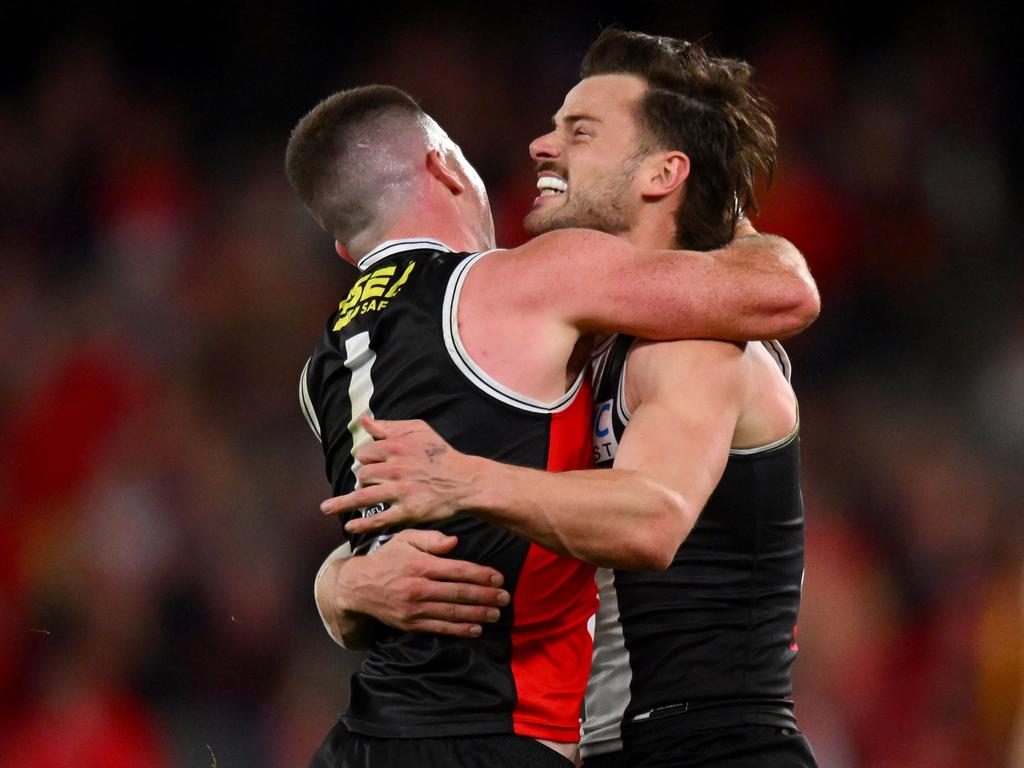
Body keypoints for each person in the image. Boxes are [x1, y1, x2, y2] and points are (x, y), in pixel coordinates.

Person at [317, 29, 818, 767]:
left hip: (711, 747)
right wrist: (343, 585)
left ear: (661, 173)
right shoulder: (576, 352)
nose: (541, 147)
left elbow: (651, 520)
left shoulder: (695, 347)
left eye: (578, 131)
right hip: (599, 750)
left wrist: (464, 477)